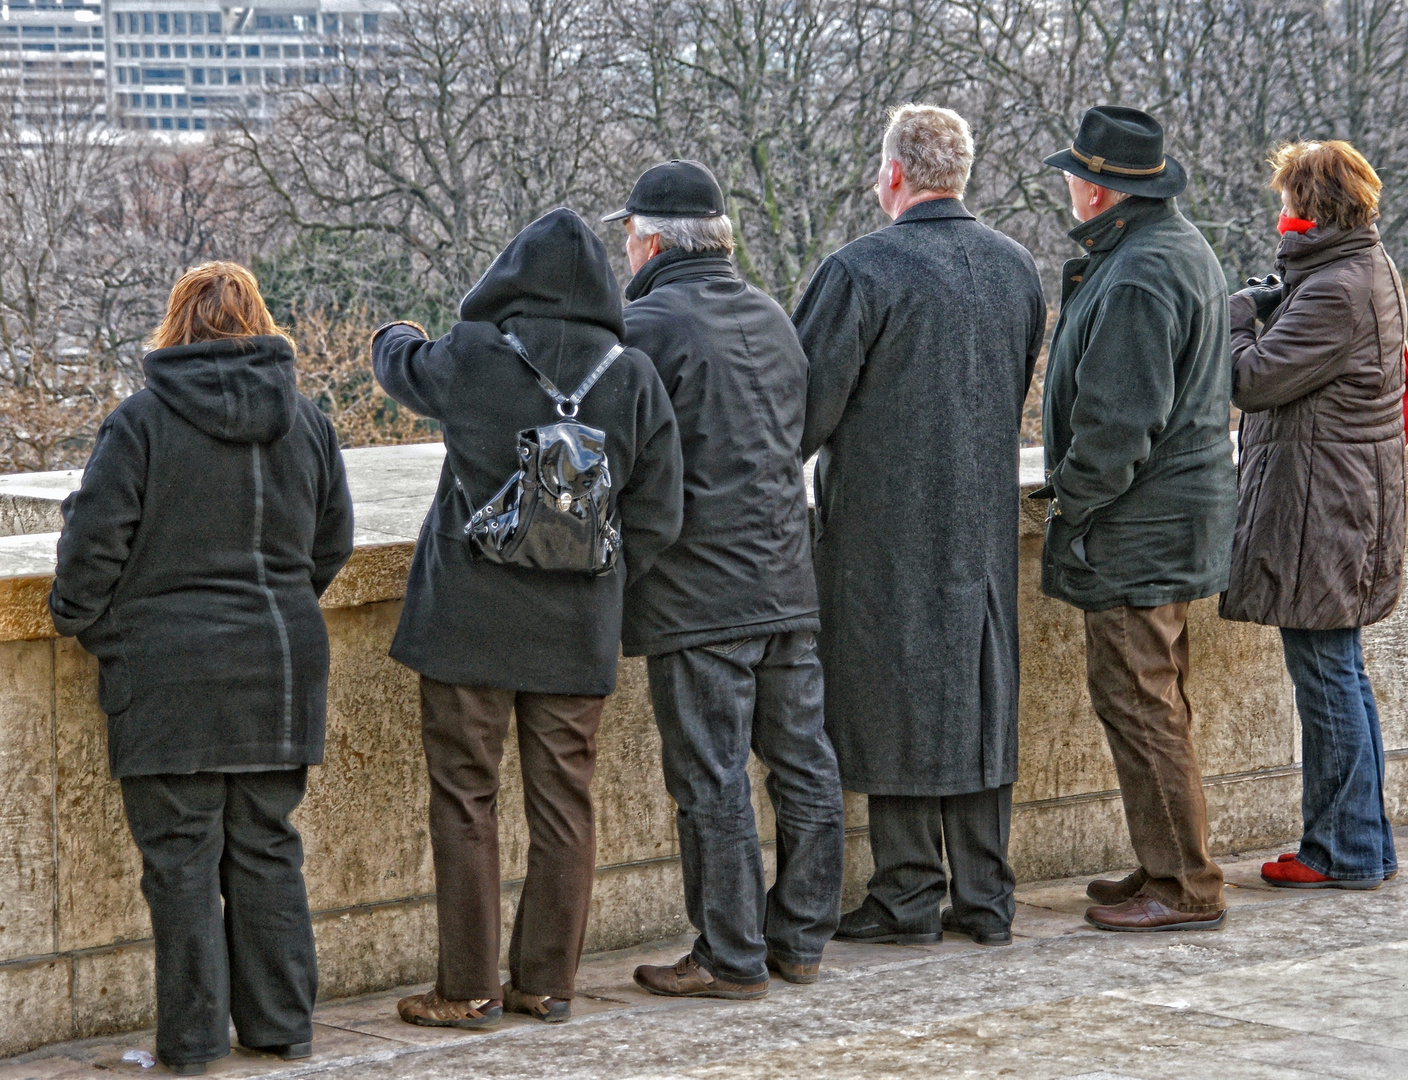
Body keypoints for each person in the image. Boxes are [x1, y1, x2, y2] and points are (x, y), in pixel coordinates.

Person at [371, 209, 683, 1028]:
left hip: (467, 622)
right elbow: (660, 511)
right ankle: (545, 984)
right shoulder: (632, 372)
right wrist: (600, 576)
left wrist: (398, 327)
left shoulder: (475, 354)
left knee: (465, 798)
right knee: (564, 802)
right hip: (575, 628)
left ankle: (464, 988)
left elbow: (400, 367)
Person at [49, 262, 354, 1075]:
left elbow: (93, 545)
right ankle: (282, 1024)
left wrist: (90, 624)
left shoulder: (141, 421)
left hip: (168, 670)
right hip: (281, 663)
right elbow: (332, 544)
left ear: (175, 326)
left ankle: (190, 1042)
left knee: (181, 862)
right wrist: (279, 610)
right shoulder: (309, 420)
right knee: (267, 846)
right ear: (258, 320)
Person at [794, 105, 1046, 948]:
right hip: (980, 518)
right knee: (979, 694)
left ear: (893, 173)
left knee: (894, 699)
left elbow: (801, 413)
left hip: (881, 526)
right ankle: (984, 893)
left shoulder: (860, 270)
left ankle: (905, 894)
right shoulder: (1015, 268)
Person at [606, 160, 846, 998]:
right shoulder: (771, 315)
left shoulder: (643, 325)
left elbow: (621, 456)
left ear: (647, 241)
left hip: (697, 590)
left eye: (628, 239)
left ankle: (730, 955)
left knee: (710, 775)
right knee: (802, 762)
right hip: (786, 574)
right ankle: (802, 938)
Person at [1035, 106, 1237, 932]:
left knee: (1142, 702)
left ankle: (1184, 886)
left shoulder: (1140, 272)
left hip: (1138, 524)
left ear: (1097, 190)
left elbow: (1119, 423)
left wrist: (1072, 502)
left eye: (1076, 176)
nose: (1071, 187)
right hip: (1168, 516)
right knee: (1153, 698)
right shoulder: (1169, 249)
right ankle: (1165, 864)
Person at [1223, 140, 1407, 890]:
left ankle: (1341, 852)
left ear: (1310, 206)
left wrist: (1238, 316)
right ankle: (1361, 843)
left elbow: (1250, 380)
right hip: (1340, 501)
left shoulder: (1337, 287)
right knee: (1340, 674)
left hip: (1321, 510)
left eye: (1287, 198)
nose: (1280, 211)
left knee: (1327, 676)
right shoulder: (1360, 266)